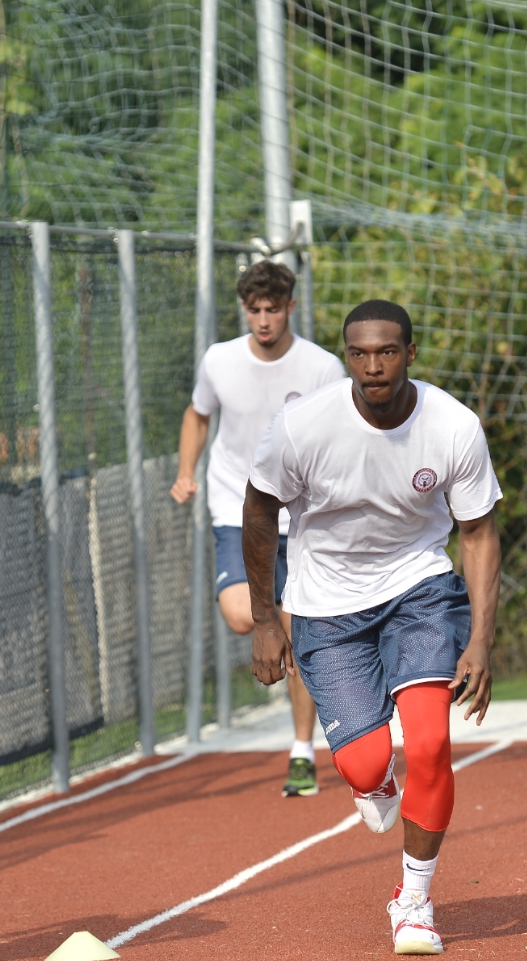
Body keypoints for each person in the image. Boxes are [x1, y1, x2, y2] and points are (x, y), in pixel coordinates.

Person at [245, 299, 501, 954]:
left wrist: (480, 639)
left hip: (418, 590)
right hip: (326, 605)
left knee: (429, 745)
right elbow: (259, 507)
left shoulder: (453, 426)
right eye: (359, 353)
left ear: (410, 353)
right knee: (361, 766)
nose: (373, 365)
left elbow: (477, 531)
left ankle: (413, 899)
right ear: (346, 357)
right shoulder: (304, 426)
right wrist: (267, 618)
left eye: (387, 351)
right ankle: (375, 782)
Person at [171, 260, 344, 797]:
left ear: (290, 307)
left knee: (299, 631)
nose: (264, 320)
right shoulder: (219, 361)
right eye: (254, 310)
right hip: (237, 507)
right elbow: (198, 415)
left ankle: (300, 752)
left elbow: (345, 431)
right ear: (243, 309)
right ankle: (290, 641)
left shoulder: (321, 367)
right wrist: (185, 471)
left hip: (304, 516)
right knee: (245, 618)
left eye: (273, 309)